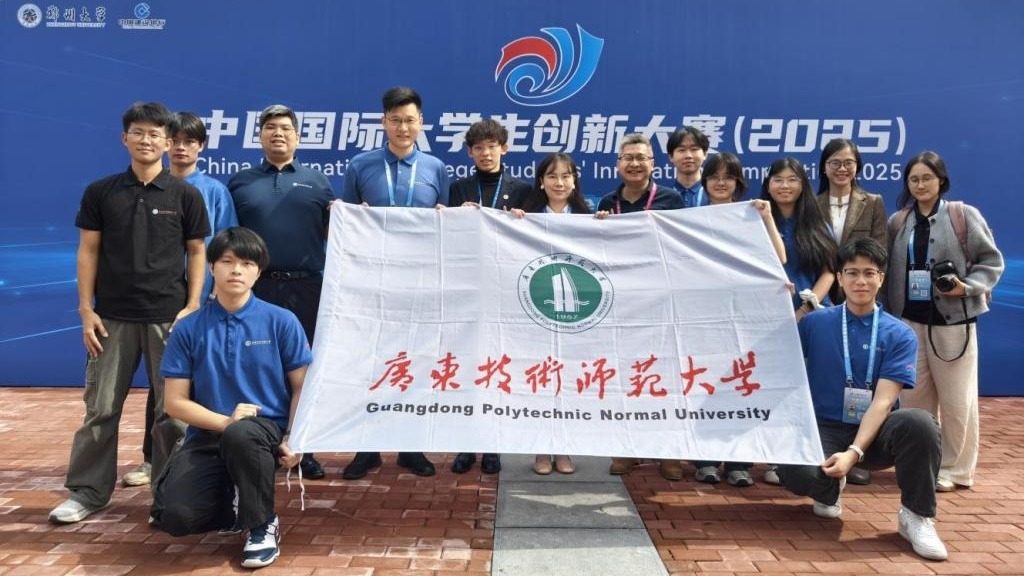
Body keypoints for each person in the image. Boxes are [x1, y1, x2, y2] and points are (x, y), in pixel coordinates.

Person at [49, 102, 210, 524]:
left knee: (172, 413)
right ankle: (87, 492)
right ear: (125, 138)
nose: (146, 140)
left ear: (167, 142)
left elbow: (197, 252)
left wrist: (193, 305)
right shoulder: (101, 192)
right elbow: (88, 251)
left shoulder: (185, 194)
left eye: (155, 134)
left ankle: (169, 496)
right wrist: (86, 309)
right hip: (111, 318)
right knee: (100, 410)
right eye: (138, 132)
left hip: (169, 319)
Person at [777, 237, 948, 561]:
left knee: (919, 423)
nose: (860, 281)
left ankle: (916, 516)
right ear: (839, 278)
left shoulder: (899, 333)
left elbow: (883, 402)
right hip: (824, 427)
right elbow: (780, 364)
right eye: (852, 273)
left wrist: (854, 453)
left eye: (869, 273)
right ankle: (828, 489)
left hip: (875, 433)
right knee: (793, 469)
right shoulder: (814, 323)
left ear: (881, 278)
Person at [151, 227, 310, 569]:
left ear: (259, 271)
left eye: (247, 263)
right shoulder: (188, 328)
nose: (236, 270)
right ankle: (233, 497)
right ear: (211, 267)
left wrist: (294, 438)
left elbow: (302, 387)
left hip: (264, 432)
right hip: (209, 434)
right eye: (227, 261)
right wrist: (225, 421)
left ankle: (262, 523)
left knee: (242, 433)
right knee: (176, 517)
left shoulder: (281, 321)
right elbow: (174, 402)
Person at [122, 111, 240, 489]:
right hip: (165, 302)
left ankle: (204, 458)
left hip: (205, 301)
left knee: (206, 380)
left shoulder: (214, 191)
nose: (181, 148)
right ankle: (151, 460)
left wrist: (213, 294)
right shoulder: (148, 187)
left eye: (190, 142)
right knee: (164, 385)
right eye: (175, 141)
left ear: (201, 147)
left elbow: (225, 244)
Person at [339, 86, 449, 479]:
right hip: (372, 283)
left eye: (410, 120)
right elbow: (349, 222)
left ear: (421, 123)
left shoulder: (436, 168)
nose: (403, 127)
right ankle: (366, 449)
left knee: (415, 361)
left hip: (419, 283)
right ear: (383, 122)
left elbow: (444, 223)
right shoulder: (360, 165)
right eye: (396, 120)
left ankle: (410, 446)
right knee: (370, 361)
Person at [885, 151, 1003, 492]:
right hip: (909, 323)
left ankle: (955, 469)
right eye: (914, 179)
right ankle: (920, 464)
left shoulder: (963, 215)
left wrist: (968, 287)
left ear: (941, 181)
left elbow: (991, 261)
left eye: (927, 178)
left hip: (953, 322)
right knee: (913, 400)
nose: (920, 185)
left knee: (956, 401)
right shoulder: (898, 222)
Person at [228, 104, 334, 481]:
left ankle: (303, 447)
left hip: (307, 287)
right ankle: (258, 445)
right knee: (256, 365)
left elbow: (337, 233)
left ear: (298, 137)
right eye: (270, 127)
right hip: (257, 288)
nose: (278, 133)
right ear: (259, 136)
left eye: (286, 128)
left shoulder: (318, 182)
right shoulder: (240, 183)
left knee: (303, 369)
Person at [689, 152, 785, 487]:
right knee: (705, 386)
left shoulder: (751, 214)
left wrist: (768, 218)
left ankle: (739, 463)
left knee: (742, 385)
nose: (720, 183)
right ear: (705, 182)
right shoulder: (691, 219)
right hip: (704, 317)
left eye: (727, 177)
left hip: (745, 317)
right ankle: (705, 461)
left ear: (738, 182)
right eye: (714, 177)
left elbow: (779, 258)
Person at [596, 134, 684, 480]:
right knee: (625, 375)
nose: (634, 164)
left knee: (664, 375)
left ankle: (669, 452)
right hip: (621, 303)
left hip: (661, 299)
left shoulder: (671, 199)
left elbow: (681, 246)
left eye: (641, 158)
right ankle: (626, 449)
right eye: (628, 158)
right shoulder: (608, 202)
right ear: (618, 164)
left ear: (653, 164)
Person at [448, 119, 530, 475]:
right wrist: (451, 216)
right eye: (479, 148)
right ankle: (467, 444)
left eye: (492, 146)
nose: (485, 153)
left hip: (506, 289)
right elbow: (446, 235)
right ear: (470, 152)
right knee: (468, 365)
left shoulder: (523, 190)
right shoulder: (457, 189)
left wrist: (521, 220)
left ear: (504, 149)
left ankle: (494, 445)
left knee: (499, 367)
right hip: (468, 287)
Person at [509, 153, 592, 475]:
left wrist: (604, 225)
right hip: (536, 309)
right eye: (552, 176)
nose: (560, 183)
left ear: (574, 181)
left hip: (575, 314)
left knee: (569, 381)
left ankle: (565, 449)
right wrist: (511, 223)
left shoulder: (587, 216)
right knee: (541, 381)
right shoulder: (526, 216)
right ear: (541, 182)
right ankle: (541, 450)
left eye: (566, 176)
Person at [814, 138, 888, 486]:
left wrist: (857, 288)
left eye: (848, 162)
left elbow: (879, 252)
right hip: (821, 297)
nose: (841, 169)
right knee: (829, 376)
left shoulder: (872, 202)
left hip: (858, 296)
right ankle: (825, 449)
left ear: (857, 167)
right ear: (824, 166)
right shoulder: (812, 204)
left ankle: (857, 454)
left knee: (860, 376)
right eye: (834, 162)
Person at [760, 158, 837, 486]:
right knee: (776, 391)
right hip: (770, 321)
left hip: (814, 318)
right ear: (768, 184)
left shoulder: (818, 224)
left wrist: (804, 310)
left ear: (803, 185)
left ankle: (814, 455)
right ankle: (777, 460)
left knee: (809, 389)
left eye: (792, 179)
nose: (784, 186)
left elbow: (830, 272)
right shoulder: (757, 220)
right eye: (778, 179)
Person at [666, 126, 709, 208]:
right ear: (671, 157)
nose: (688, 155)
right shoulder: (663, 197)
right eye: (681, 150)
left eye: (694, 149)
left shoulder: (714, 195)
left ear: (705, 154)